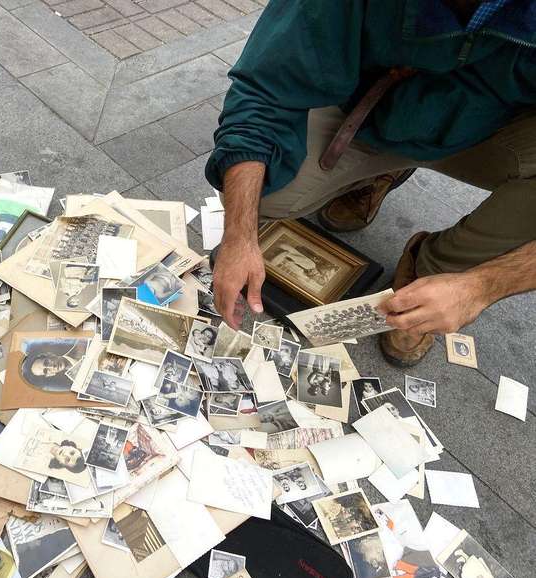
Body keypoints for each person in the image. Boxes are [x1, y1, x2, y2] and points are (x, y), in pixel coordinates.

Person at [208, 0, 536, 367]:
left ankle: (434, 268)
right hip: (370, 110)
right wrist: (239, 235)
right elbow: (264, 91)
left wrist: (481, 286)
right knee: (265, 195)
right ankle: (377, 168)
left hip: (485, 132)